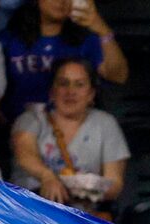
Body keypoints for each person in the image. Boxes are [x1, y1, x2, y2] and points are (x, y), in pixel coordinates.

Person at [7, 56, 125, 215]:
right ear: (52, 91)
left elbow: (115, 184)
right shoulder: (32, 118)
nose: (71, 91)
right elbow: (24, 154)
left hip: (82, 218)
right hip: (30, 212)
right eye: (63, 83)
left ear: (91, 94)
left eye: (79, 84)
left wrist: (86, 189)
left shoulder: (105, 123)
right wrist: (47, 177)